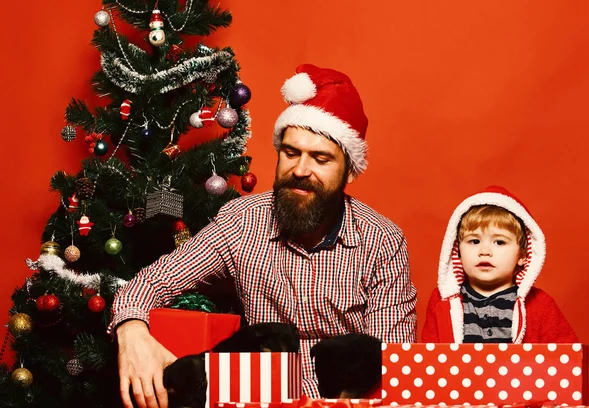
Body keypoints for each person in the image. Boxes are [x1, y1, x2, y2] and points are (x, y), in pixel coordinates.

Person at [110, 64, 417, 408]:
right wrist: (132, 332)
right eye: (291, 153)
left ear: (349, 170)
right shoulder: (242, 222)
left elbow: (391, 368)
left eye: (320, 158)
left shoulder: (382, 242)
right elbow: (151, 282)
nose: (301, 170)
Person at [422, 185, 578, 343]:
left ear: (523, 255)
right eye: (474, 241)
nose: (484, 251)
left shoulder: (541, 305)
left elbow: (567, 360)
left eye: (499, 242)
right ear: (457, 252)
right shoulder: (441, 303)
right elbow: (429, 361)